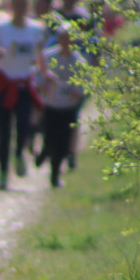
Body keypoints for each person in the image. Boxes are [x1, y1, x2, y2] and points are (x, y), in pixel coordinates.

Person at [0, 0, 48, 189]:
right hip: (4, 83)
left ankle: (20, 154)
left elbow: (41, 57)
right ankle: (3, 173)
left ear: (28, 6)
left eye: (23, 4)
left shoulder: (36, 29)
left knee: (23, 126)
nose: (20, 8)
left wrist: (46, 76)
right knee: (3, 130)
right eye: (16, 4)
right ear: (10, 5)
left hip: (24, 84)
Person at [36, 25, 88, 187]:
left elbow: (85, 83)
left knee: (63, 142)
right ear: (59, 39)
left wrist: (78, 91)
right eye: (64, 38)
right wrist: (43, 83)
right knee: (50, 135)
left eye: (70, 39)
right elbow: (38, 74)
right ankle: (45, 150)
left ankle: (55, 174)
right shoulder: (48, 56)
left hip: (68, 107)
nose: (67, 42)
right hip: (51, 104)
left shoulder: (79, 61)